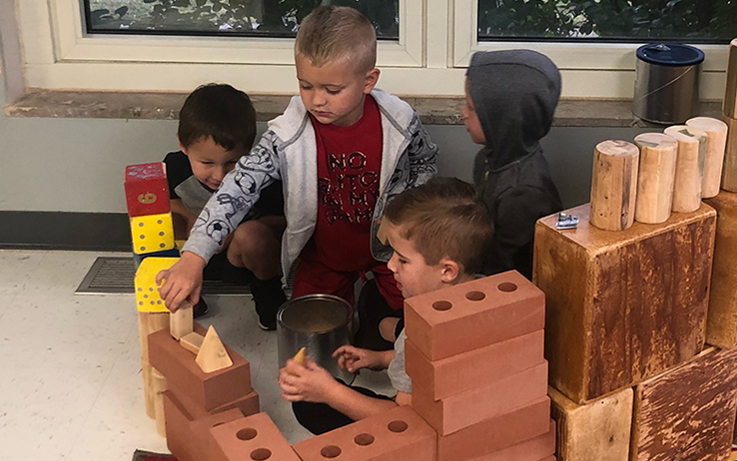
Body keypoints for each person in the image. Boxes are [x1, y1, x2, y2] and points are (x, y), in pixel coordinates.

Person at [156, 6, 438, 343]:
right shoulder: (286, 134)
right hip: (323, 258)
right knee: (311, 341)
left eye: (332, 90)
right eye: (306, 85)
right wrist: (193, 256)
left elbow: (425, 165)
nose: (317, 100)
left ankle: (372, 311)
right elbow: (236, 189)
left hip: (388, 254)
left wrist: (405, 216)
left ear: (368, 81)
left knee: (417, 331)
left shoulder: (400, 122)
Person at [278, 177, 493, 435]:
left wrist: (329, 392)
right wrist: (380, 358)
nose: (391, 266)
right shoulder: (487, 290)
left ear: (447, 270)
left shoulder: (421, 332)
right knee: (372, 295)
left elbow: (411, 423)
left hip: (431, 431)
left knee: (309, 405)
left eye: (402, 260)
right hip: (467, 413)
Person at [164, 83, 286, 325]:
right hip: (193, 262)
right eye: (206, 162)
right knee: (161, 219)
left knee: (252, 234)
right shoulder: (174, 167)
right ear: (182, 145)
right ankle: (181, 293)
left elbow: (282, 221)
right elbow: (168, 203)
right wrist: (189, 219)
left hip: (240, 261)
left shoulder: (261, 176)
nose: (219, 176)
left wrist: (225, 233)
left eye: (232, 163)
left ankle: (267, 289)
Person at [462, 49, 563, 279]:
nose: (463, 113)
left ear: (504, 119)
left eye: (472, 108)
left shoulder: (522, 193)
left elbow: (508, 272)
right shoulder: (489, 159)